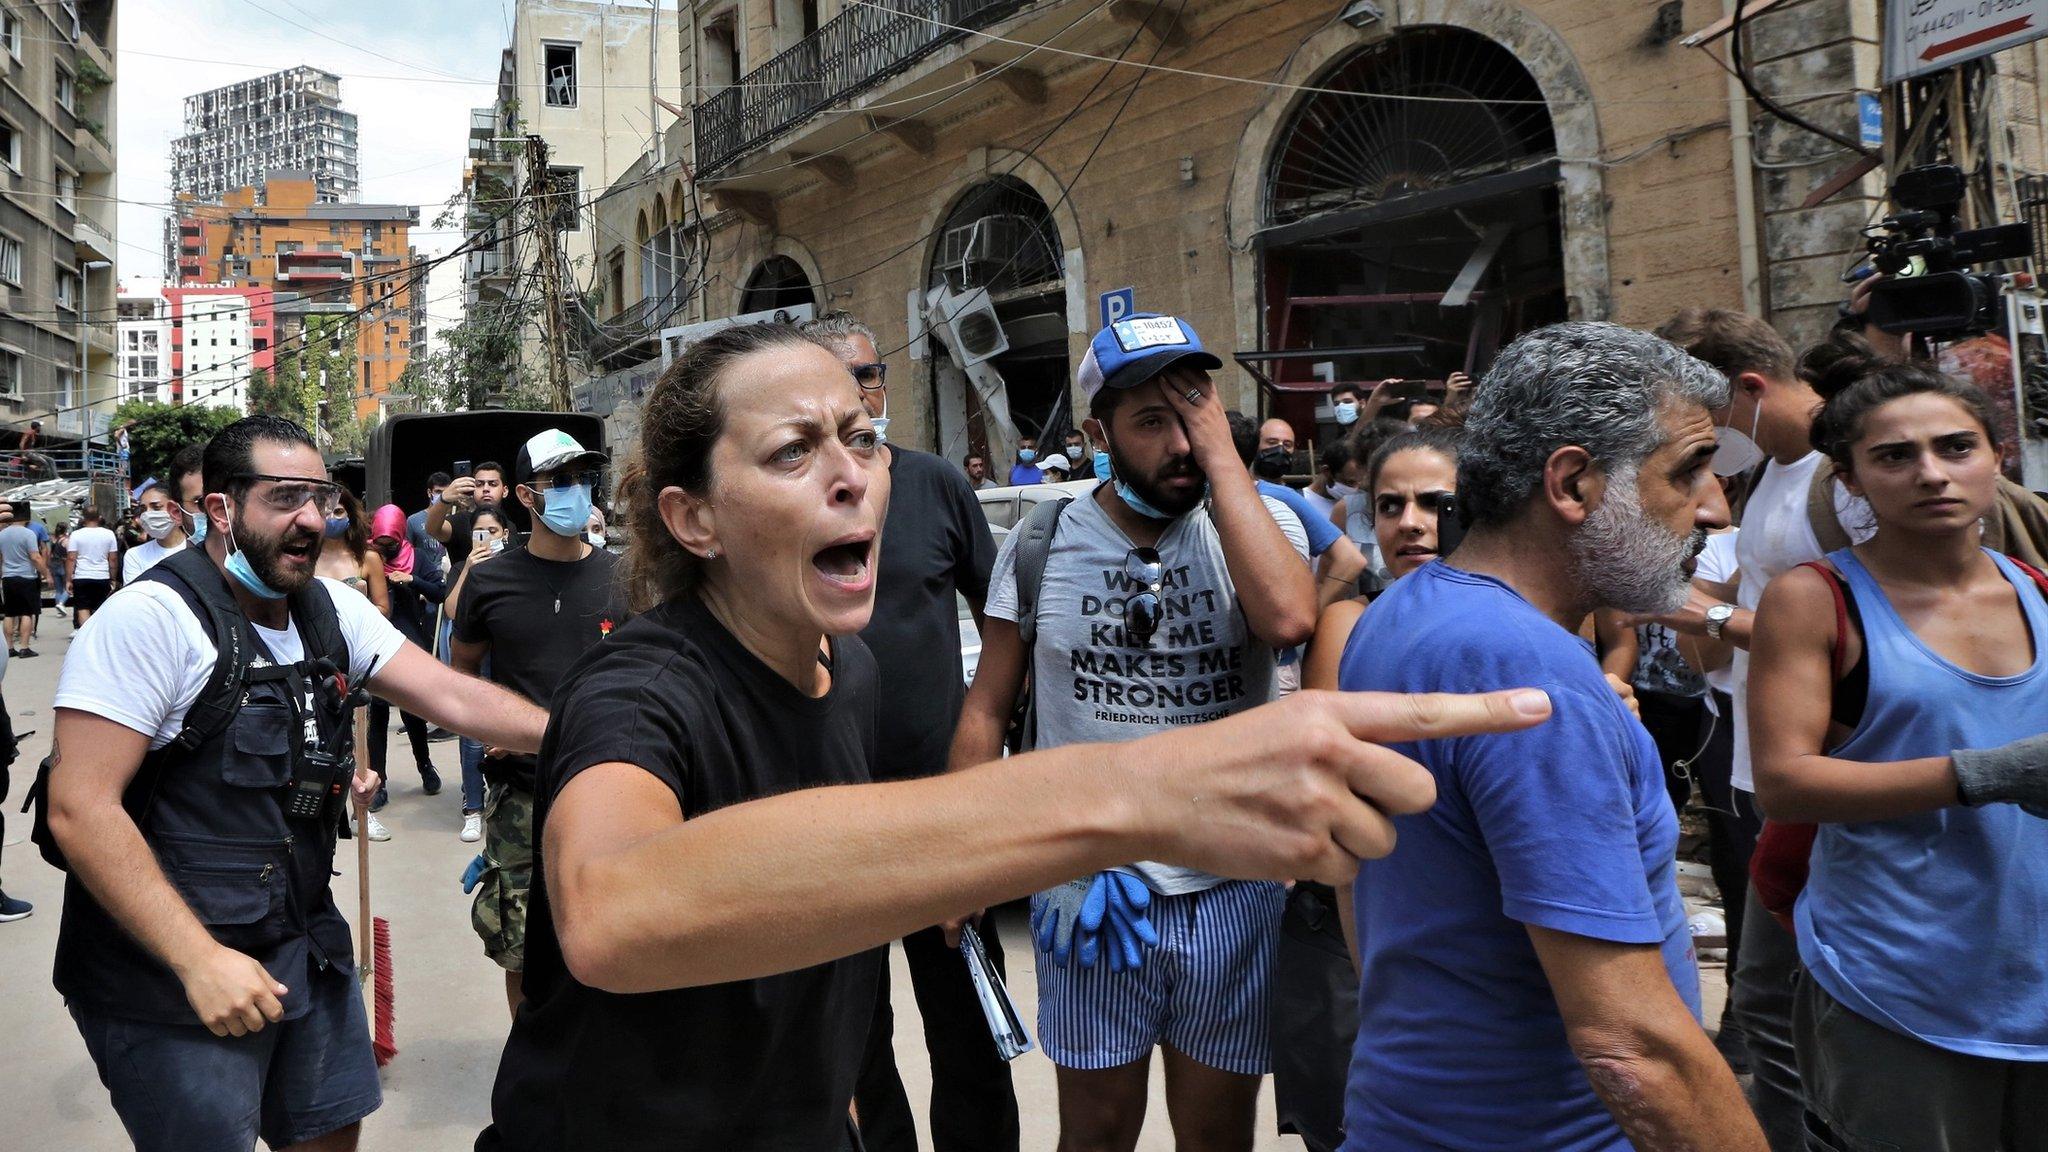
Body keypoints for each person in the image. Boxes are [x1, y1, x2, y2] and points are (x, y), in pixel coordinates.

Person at [475, 320, 1549, 1151]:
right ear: (692, 518)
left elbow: (810, 980)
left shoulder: (834, 665)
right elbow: (612, 913)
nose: (853, 472)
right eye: (792, 451)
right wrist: (1124, 793)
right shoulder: (637, 688)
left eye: (859, 436)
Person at [46, 415, 549, 1152]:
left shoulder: (331, 607)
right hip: (167, 973)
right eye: (285, 497)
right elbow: (79, 810)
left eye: (319, 497)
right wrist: (199, 960)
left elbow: (455, 698)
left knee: (327, 1135)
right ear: (220, 509)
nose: (313, 518)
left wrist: (590, 735)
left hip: (303, 944)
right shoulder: (149, 621)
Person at [1334, 322, 1764, 1151]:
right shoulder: (1531, 675)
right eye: (1687, 472)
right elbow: (1632, 1049)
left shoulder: (1403, 616)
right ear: (1572, 483)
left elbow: (1366, 894)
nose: (1713, 507)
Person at [952, 314, 1318, 1152]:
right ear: (1098, 435)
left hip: (1232, 885)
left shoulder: (1263, 531)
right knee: (1098, 1131)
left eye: (1192, 411)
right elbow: (986, 706)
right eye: (1152, 422)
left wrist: (1225, 461)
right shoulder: (1042, 543)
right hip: (1091, 889)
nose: (1182, 441)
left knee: (1217, 1132)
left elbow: (1291, 617)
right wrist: (968, 856)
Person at [1748, 354, 2048, 1151]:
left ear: (1996, 456)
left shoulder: (2037, 587)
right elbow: (1784, 783)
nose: (1931, 473)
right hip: (1896, 981)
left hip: (2035, 973)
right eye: (1894, 456)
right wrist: (1988, 774)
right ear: (1847, 478)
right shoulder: (1817, 600)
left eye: (1956, 447)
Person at [1647, 307, 1870, 1150]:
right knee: (1776, 1002)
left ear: (1746, 388)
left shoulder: (1840, 474)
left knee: (1785, 1002)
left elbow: (1862, 629)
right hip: (1772, 768)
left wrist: (1712, 619)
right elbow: (1750, 602)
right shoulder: (1772, 474)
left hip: (1834, 774)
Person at [800, 312, 1016, 1152]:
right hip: (830, 817)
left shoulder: (934, 485)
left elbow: (1001, 620)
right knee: (854, 1038)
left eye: (869, 377)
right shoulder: (794, 503)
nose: (859, 394)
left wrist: (980, 754)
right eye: (836, 380)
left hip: (940, 811)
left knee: (968, 1024)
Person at [452, 428, 626, 1017]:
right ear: (526, 496)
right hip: (521, 796)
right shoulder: (490, 580)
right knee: (521, 950)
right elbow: (465, 669)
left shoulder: (623, 580)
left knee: (610, 939)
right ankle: (533, 1076)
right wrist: (491, 727)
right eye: (561, 482)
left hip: (610, 792)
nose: (577, 492)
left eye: (583, 479)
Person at [1239, 412, 1367, 614]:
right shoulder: (1229, 495)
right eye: (1271, 442)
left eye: (1287, 444)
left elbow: (1349, 560)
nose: (1279, 449)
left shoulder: (1288, 498)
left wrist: (1312, 615)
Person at [367, 503, 445, 819]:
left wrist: (411, 580)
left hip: (409, 643)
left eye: (390, 542)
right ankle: (379, 781)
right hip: (373, 644)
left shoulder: (417, 557)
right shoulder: (368, 559)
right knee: (378, 714)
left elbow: (440, 592)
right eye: (380, 541)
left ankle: (424, 764)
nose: (385, 548)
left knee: (413, 712)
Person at [446, 506, 514, 842]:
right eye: (479, 533)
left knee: (507, 733)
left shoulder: (517, 567)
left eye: (494, 532)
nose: (487, 539)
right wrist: (469, 571)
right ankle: (472, 807)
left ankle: (500, 797)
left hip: (508, 663)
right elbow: (451, 610)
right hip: (474, 661)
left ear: (506, 534)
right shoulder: (463, 567)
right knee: (473, 736)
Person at [124, 481, 194, 584]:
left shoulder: (198, 548)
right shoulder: (134, 555)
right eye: (143, 509)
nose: (148, 514)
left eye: (156, 507)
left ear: (175, 509)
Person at [2, 506, 49, 657]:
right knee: (26, 612)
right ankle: (24, 647)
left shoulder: (1, 534)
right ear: (27, 518)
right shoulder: (28, 534)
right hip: (26, 577)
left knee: (9, 613)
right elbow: (35, 557)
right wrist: (46, 573)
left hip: (8, 577)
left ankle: (9, 647)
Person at [66, 507, 119, 627]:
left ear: (83, 518)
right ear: (99, 517)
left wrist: (68, 579)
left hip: (82, 576)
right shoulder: (109, 534)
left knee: (83, 608)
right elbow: (113, 559)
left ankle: (85, 636)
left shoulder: (76, 534)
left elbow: (71, 558)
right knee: (101, 608)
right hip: (102, 576)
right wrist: (113, 578)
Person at [50, 521, 71, 612]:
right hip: (63, 564)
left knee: (58, 589)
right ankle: (61, 603)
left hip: (54, 565)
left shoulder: (54, 540)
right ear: (65, 530)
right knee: (68, 587)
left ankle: (59, 609)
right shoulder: (66, 541)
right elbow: (69, 554)